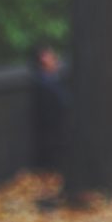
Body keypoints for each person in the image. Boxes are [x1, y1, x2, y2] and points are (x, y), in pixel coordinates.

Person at [28, 44, 69, 172]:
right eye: (52, 57)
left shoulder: (52, 80)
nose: (56, 61)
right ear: (43, 60)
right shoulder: (45, 83)